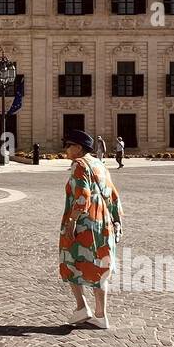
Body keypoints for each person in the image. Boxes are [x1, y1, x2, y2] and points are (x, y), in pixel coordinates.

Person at [59, 129, 122, 331]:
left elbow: (82, 196)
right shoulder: (99, 164)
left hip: (84, 221)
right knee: (98, 264)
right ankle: (101, 315)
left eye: (68, 145)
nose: (66, 150)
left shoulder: (79, 164)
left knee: (69, 259)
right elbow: (113, 194)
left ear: (78, 148)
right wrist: (117, 220)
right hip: (102, 222)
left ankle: (81, 306)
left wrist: (72, 221)